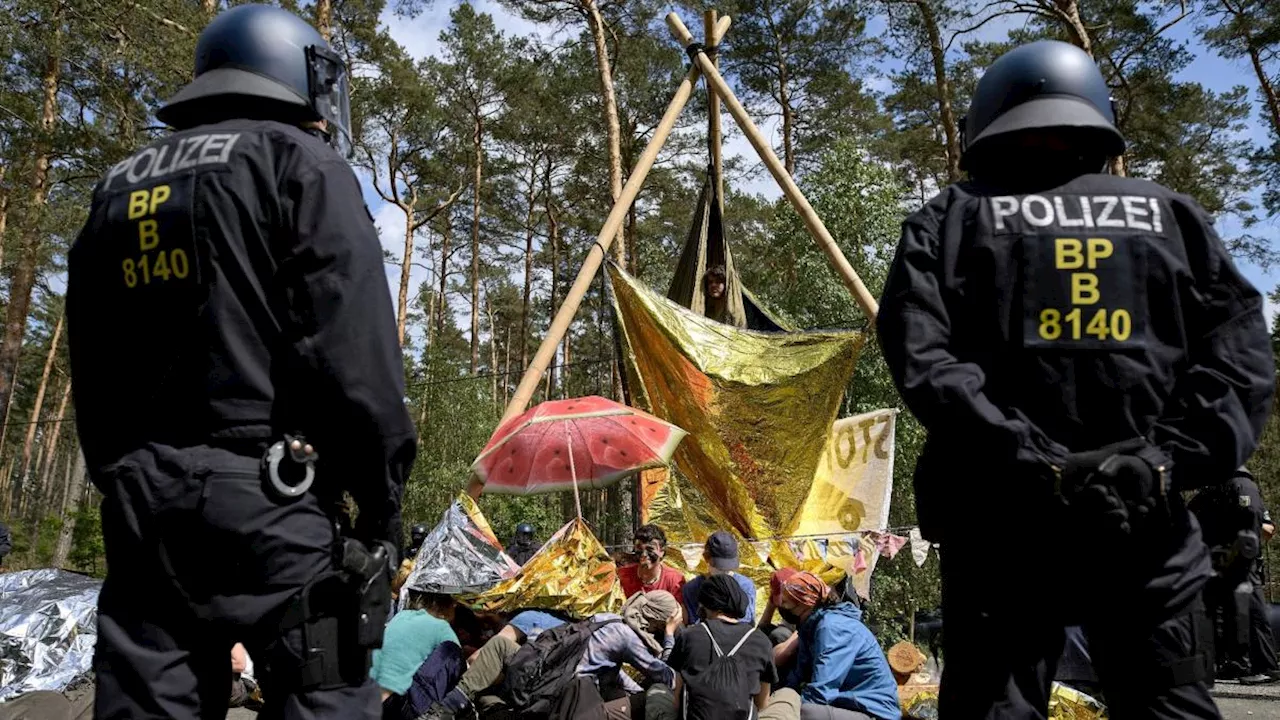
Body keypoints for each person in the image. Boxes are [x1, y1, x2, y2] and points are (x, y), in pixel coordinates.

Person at [876, 38, 1274, 719]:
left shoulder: (949, 221)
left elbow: (924, 361)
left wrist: (1028, 457)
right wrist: (1160, 461)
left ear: (985, 125)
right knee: (1168, 704)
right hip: (1146, 526)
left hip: (1001, 532)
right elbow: (1240, 365)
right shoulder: (1173, 218)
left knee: (995, 708)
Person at [65, 5, 416, 718]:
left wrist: (122, 475)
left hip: (144, 511)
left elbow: (91, 357)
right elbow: (354, 355)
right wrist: (381, 503)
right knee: (326, 699)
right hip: (273, 501)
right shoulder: (301, 163)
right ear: (300, 74)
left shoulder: (118, 187)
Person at [425, 595, 681, 720]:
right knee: (655, 693)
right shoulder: (625, 635)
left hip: (539, 675)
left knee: (501, 646)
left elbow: (607, 667)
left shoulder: (605, 619)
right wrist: (669, 636)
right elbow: (664, 676)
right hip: (565, 695)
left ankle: (445, 708)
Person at [653, 574, 799, 720]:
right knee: (789, 695)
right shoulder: (760, 641)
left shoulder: (688, 636)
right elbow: (762, 704)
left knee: (657, 690)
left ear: (703, 606)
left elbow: (678, 702)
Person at [1190, 466, 1280, 683]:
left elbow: (1266, 528)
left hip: (1238, 560)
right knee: (1221, 616)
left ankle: (1266, 667)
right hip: (1212, 564)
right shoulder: (1208, 494)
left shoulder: (1241, 485)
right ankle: (1235, 664)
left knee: (1251, 611)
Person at [771, 571, 900, 720]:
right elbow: (798, 675)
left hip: (873, 712)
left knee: (808, 713)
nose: (782, 606)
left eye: (786, 602)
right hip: (847, 704)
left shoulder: (834, 628)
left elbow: (823, 690)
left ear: (803, 602)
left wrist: (786, 710)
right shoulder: (809, 627)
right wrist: (777, 698)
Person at [372, 592, 463, 720]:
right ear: (450, 606)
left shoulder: (402, 616)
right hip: (396, 706)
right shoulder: (443, 630)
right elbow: (461, 672)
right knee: (452, 652)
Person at [682, 531, 758, 625]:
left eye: (728, 567)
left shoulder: (745, 586)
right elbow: (693, 624)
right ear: (707, 558)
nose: (724, 571)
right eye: (719, 567)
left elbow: (747, 622)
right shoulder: (692, 588)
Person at [618, 524, 687, 601]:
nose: (644, 554)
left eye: (650, 549)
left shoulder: (674, 580)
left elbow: (680, 611)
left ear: (662, 552)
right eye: (639, 548)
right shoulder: (622, 576)